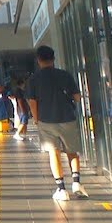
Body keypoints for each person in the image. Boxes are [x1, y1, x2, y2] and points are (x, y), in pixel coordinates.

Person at [26, 46, 88, 201]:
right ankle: (77, 183)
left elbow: (32, 102)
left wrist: (36, 118)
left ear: (38, 60)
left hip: (46, 120)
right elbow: (77, 97)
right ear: (53, 59)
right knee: (71, 150)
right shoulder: (65, 75)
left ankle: (61, 189)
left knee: (53, 152)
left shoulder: (34, 79)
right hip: (67, 117)